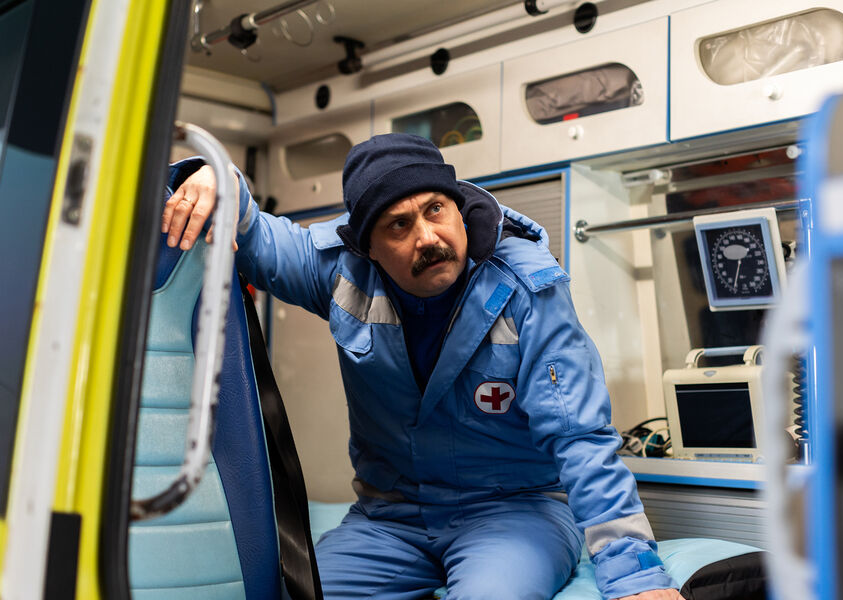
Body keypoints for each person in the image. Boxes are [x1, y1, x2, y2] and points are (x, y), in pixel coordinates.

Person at [163, 133, 684, 600]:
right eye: (399, 225)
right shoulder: (343, 272)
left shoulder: (528, 287)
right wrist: (216, 176)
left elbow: (580, 435)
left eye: (435, 210)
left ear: (458, 208)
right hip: (389, 520)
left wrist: (634, 576)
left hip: (514, 513)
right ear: (368, 247)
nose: (428, 237)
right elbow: (254, 234)